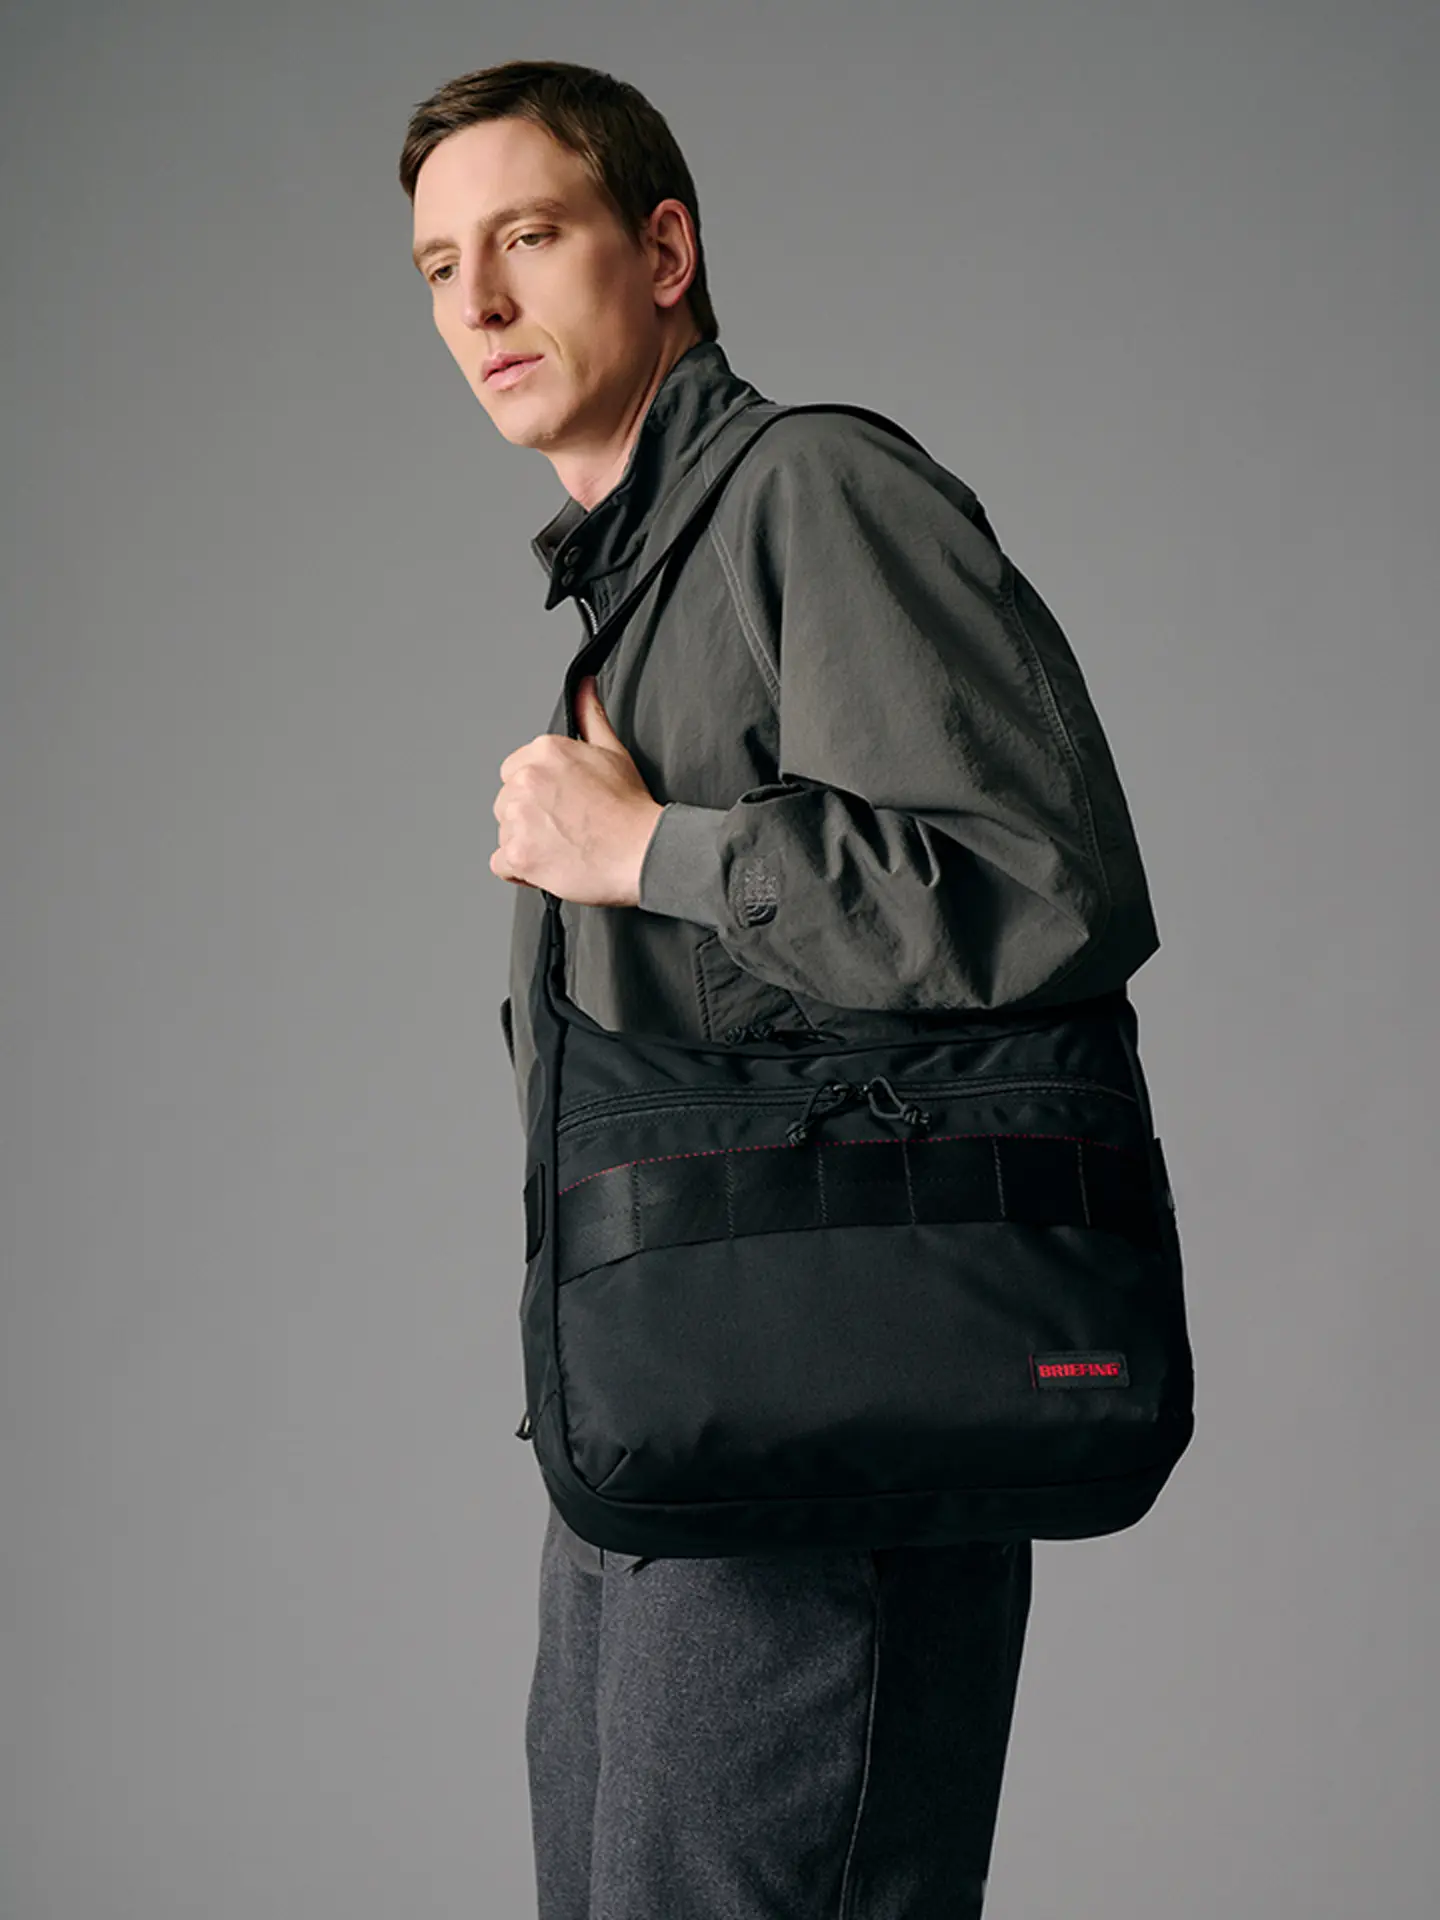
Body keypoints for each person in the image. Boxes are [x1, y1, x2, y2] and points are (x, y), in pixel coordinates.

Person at [399, 57, 1161, 1920]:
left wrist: (652, 853)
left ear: (663, 251)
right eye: (438, 267)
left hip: (823, 1441)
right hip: (664, 1438)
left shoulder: (809, 490)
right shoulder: (638, 596)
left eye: (528, 237)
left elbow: (1045, 889)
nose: (479, 303)